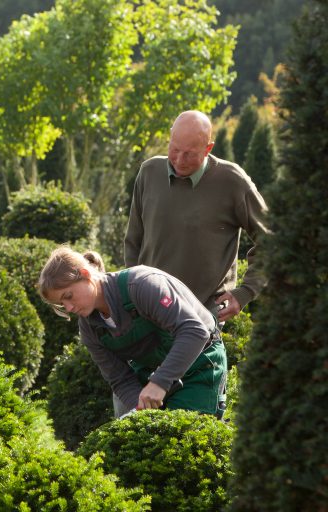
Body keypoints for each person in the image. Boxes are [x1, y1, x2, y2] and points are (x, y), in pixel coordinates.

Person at [39, 247, 227, 417]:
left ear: (86, 274)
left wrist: (160, 382)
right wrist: (139, 413)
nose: (69, 308)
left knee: (186, 443)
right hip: (151, 377)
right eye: (62, 305)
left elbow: (194, 331)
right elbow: (119, 378)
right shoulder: (89, 328)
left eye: (68, 296)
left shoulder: (141, 285)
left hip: (199, 366)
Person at [124, 110, 269, 324]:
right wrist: (131, 294)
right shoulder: (149, 172)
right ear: (170, 138)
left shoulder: (232, 182)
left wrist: (245, 293)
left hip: (203, 317)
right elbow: (133, 241)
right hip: (149, 312)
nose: (179, 160)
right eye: (174, 149)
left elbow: (272, 241)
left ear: (208, 148)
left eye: (189, 154)